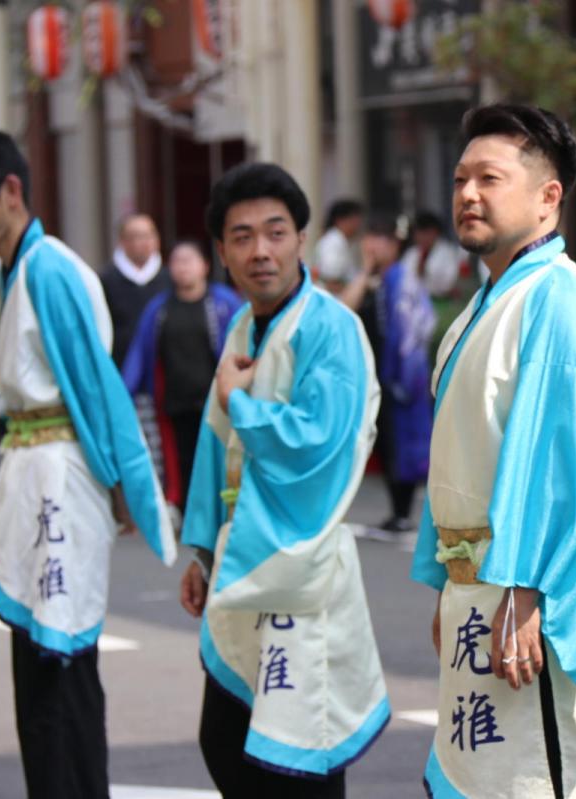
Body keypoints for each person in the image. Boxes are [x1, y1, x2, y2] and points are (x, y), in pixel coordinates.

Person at [0, 131, 176, 799]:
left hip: (61, 479)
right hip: (34, 472)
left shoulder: (51, 269)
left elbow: (98, 389)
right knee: (39, 667)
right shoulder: (8, 270)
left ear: (11, 191)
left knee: (61, 663)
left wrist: (124, 487)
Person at [411, 104, 576, 798]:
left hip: (521, 596)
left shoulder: (558, 301)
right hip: (484, 592)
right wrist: (453, 585)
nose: (467, 194)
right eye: (459, 178)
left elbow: (565, 466)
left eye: (489, 178)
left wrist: (527, 588)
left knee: (529, 778)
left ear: (548, 196)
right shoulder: (487, 305)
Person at [178, 162, 388, 798]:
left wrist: (243, 403)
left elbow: (319, 444)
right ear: (222, 252)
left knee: (296, 757)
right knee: (227, 739)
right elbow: (216, 446)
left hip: (300, 562)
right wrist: (202, 548)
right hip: (243, 559)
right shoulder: (242, 327)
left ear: (302, 238)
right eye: (241, 237)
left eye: (275, 232)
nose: (260, 251)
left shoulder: (331, 328)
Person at [120, 239, 242, 513]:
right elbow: (140, 354)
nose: (183, 267)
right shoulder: (159, 309)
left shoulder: (224, 303)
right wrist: (124, 393)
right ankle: (187, 511)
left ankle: (219, 511)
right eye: (177, 261)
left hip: (216, 400)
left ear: (205, 266)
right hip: (173, 401)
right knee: (181, 460)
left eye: (189, 260)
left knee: (216, 457)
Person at [359, 213, 435, 537]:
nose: (371, 247)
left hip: (401, 377)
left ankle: (403, 513)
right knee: (393, 445)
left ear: (393, 244)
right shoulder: (387, 278)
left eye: (378, 240)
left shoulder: (400, 280)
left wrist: (400, 376)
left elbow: (409, 331)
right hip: (388, 374)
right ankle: (399, 512)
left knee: (402, 444)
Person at [100, 213, 168, 367]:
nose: (143, 242)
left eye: (147, 236)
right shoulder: (105, 280)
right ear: (122, 242)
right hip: (119, 365)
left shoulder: (169, 279)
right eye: (136, 236)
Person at [313, 198, 368, 304]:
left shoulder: (344, 241)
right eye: (355, 219)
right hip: (333, 301)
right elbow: (331, 280)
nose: (359, 224)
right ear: (341, 220)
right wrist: (356, 285)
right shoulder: (333, 241)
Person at [402, 210, 468, 298]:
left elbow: (449, 283)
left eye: (426, 233)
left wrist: (425, 271)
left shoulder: (448, 252)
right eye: (419, 233)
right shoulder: (411, 253)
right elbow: (404, 280)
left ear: (436, 232)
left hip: (443, 300)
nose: (422, 237)